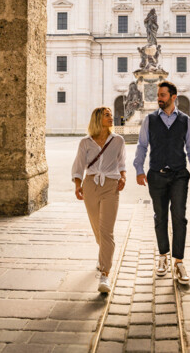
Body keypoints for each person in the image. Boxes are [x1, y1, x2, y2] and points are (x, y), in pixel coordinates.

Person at [133, 81, 190, 284]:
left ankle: (179, 261)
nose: (158, 98)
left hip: (179, 174)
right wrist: (139, 169)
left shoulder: (185, 120)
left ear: (173, 96)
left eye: (162, 95)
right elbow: (142, 145)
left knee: (179, 217)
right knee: (160, 216)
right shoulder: (149, 120)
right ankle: (162, 256)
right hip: (157, 175)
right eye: (158, 95)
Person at [71, 107, 126, 293]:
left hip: (111, 185)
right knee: (97, 228)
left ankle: (105, 274)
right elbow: (78, 166)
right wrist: (78, 185)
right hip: (90, 185)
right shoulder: (85, 143)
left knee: (106, 230)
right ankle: (103, 254)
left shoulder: (118, 140)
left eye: (111, 115)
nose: (112, 118)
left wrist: (123, 177)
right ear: (97, 119)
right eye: (107, 115)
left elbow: (122, 163)